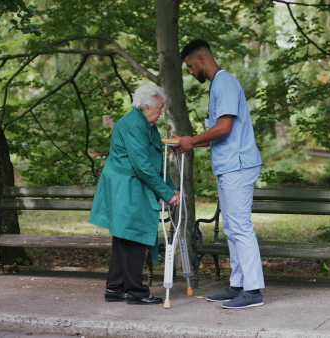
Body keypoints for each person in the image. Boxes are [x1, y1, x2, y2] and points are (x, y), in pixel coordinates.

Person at [175, 38, 265, 309]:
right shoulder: (218, 86)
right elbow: (218, 134)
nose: (190, 72)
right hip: (229, 166)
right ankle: (238, 285)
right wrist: (190, 142)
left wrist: (192, 140)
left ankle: (253, 292)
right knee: (232, 228)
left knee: (240, 227)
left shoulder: (224, 83)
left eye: (190, 66)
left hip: (238, 165)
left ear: (201, 60)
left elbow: (224, 127)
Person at [89, 83, 180, 305]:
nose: (161, 112)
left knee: (124, 236)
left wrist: (170, 187)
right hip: (125, 185)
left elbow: (155, 161)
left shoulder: (147, 125)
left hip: (130, 182)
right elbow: (142, 165)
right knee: (133, 234)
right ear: (146, 106)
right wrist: (166, 193)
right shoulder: (133, 125)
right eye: (159, 108)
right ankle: (136, 292)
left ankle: (115, 288)